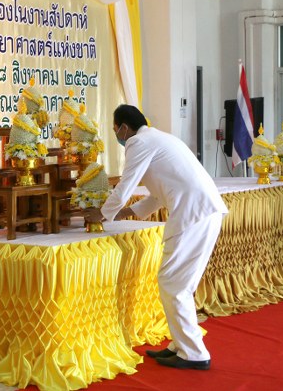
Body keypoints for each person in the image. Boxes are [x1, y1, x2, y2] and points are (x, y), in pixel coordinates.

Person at [82, 104, 227, 370]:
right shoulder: (158, 138)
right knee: (178, 284)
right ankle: (181, 345)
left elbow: (125, 186)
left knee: (174, 284)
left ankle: (194, 354)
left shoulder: (138, 142)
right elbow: (158, 195)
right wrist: (124, 212)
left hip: (194, 215)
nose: (117, 135)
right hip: (202, 212)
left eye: (115, 129)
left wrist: (102, 214)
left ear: (124, 128)